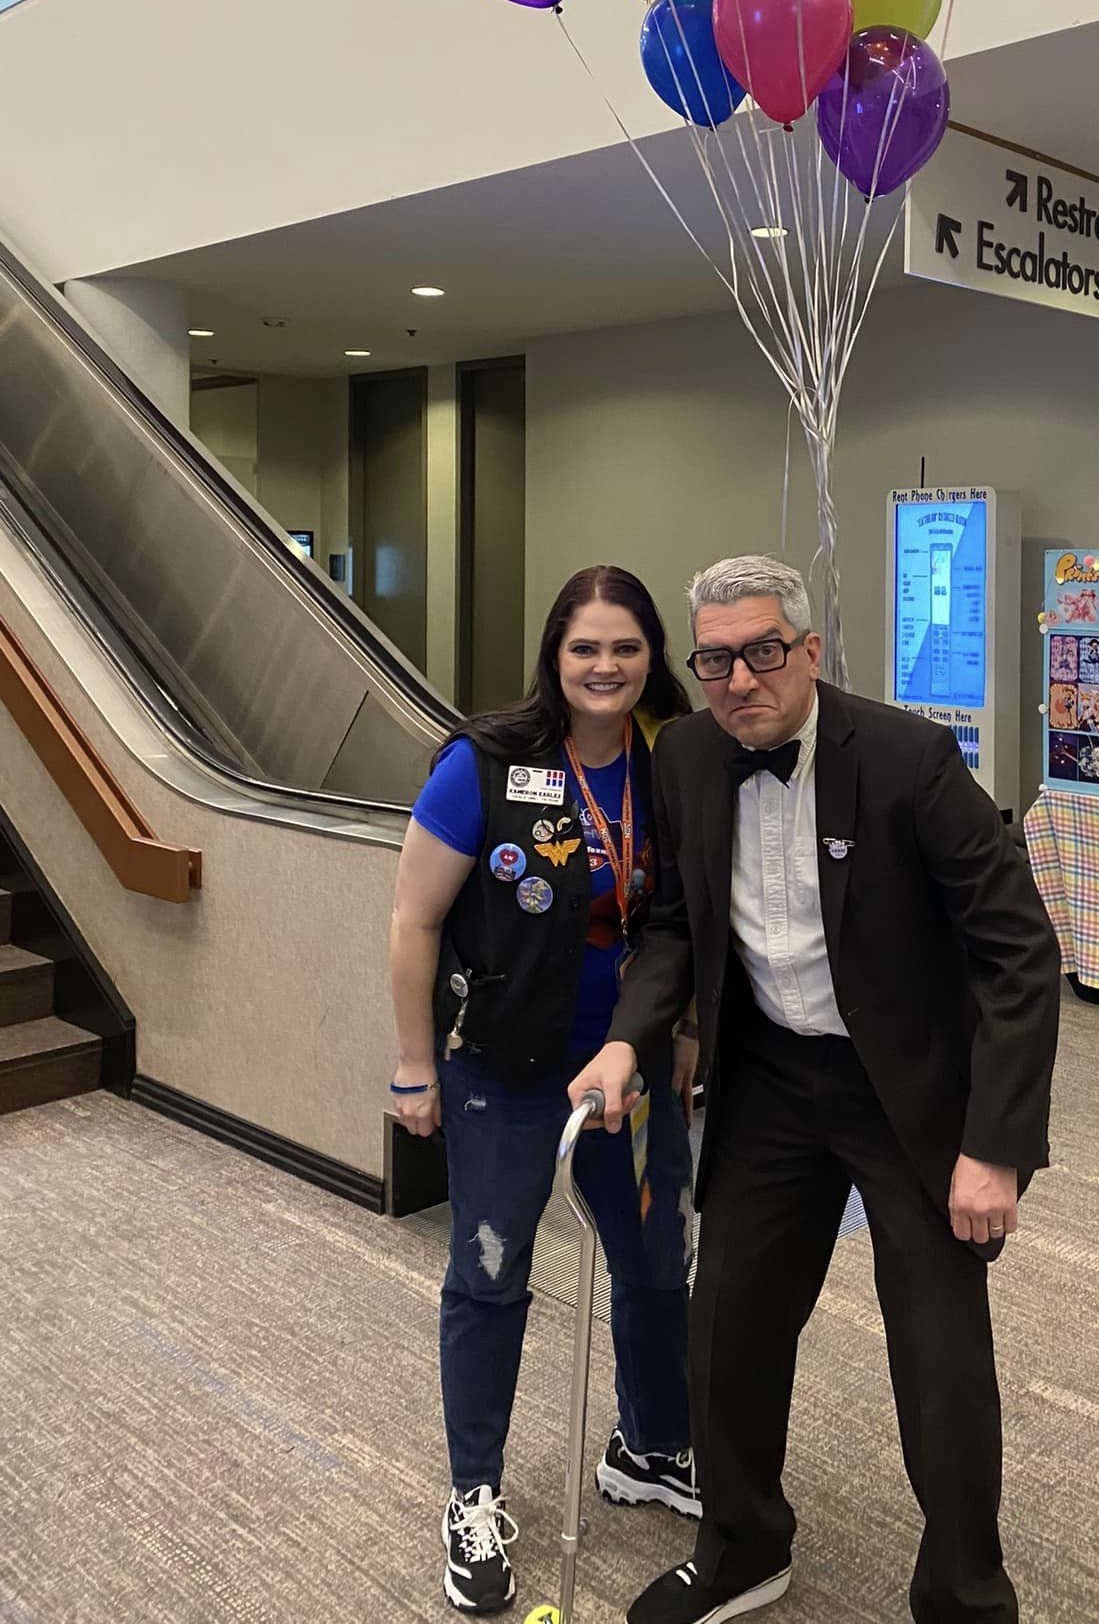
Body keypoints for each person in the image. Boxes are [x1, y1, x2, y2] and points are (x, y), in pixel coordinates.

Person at [569, 555, 1061, 1624]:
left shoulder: (907, 757)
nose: (739, 677)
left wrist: (994, 1144)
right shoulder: (686, 755)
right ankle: (742, 1545)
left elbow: (1018, 949)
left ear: (808, 650)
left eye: (762, 651)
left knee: (937, 1346)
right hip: (772, 1079)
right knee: (727, 1322)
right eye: (715, 659)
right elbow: (674, 926)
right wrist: (626, 1041)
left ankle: (966, 1595)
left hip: (904, 1086)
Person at [389, 566, 700, 1616]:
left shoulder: (671, 766)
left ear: (652, 656)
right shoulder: (485, 763)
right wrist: (414, 1063)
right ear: (554, 657)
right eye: (585, 648)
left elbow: (688, 922)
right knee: (490, 1276)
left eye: (626, 647)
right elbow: (413, 919)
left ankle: (650, 1444)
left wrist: (684, 1031)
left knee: (657, 1263)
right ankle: (473, 1493)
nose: (605, 666)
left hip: (633, 1074)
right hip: (505, 1073)